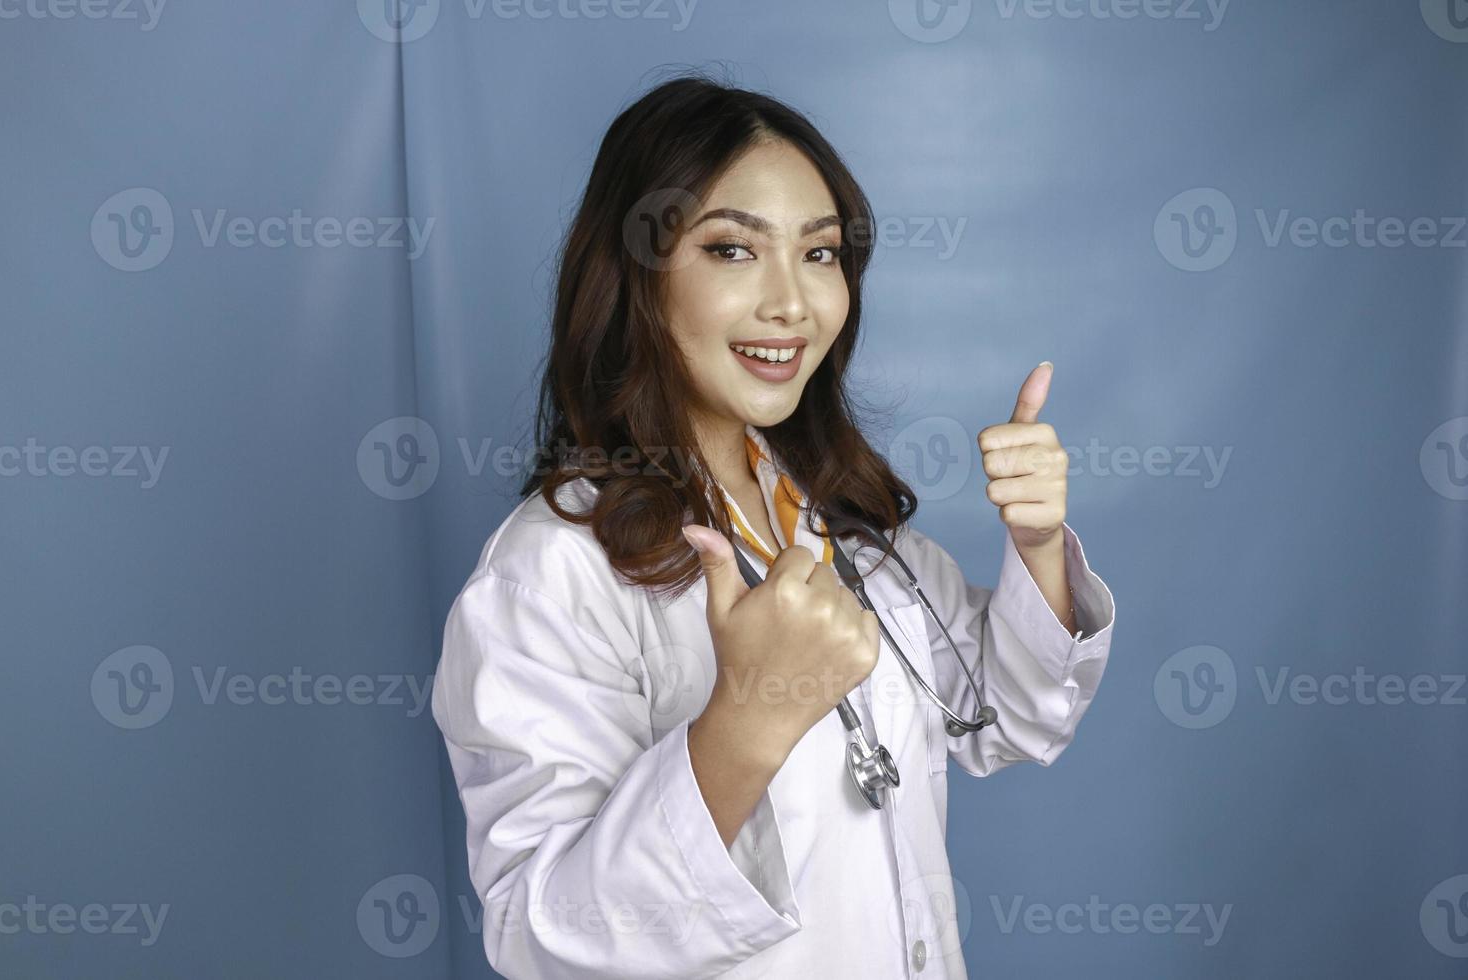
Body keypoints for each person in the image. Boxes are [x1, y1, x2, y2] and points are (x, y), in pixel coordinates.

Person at [430, 72, 1117, 980]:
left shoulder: (841, 525)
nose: (792, 303)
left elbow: (1009, 716)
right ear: (637, 273)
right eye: (731, 250)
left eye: (821, 254)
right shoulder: (550, 571)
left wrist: (1035, 550)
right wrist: (748, 720)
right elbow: (542, 937)